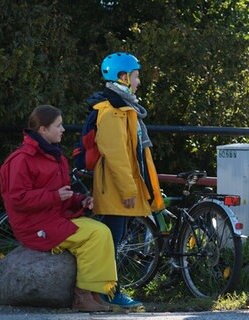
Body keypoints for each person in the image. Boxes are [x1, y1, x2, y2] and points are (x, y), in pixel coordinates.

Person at [0, 105, 117, 312]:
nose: (63, 129)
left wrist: (81, 200)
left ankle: (97, 295)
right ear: (43, 130)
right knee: (98, 233)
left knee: (102, 232)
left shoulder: (55, 156)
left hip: (52, 219)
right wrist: (55, 196)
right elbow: (17, 199)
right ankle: (83, 297)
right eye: (58, 125)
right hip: (34, 226)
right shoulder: (21, 159)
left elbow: (63, 195)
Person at [86, 52, 165, 308]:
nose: (138, 81)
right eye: (136, 76)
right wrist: (130, 189)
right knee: (113, 244)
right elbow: (117, 156)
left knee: (114, 242)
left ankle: (108, 293)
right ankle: (110, 294)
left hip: (119, 187)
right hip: (115, 189)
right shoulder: (112, 112)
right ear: (123, 77)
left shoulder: (123, 108)